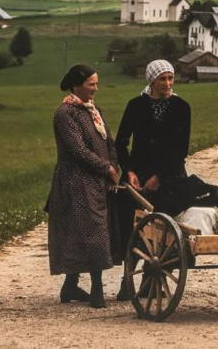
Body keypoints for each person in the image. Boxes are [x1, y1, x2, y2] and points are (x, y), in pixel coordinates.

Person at [114, 59, 191, 300]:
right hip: (138, 176)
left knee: (167, 229)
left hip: (170, 175)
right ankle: (128, 277)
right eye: (162, 79)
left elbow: (181, 148)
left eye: (170, 78)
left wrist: (160, 176)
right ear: (151, 81)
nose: (167, 83)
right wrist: (130, 172)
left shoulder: (181, 107)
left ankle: (153, 277)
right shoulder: (136, 105)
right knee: (133, 227)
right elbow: (121, 143)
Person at [47, 64, 119, 309]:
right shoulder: (65, 113)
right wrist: (106, 168)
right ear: (76, 85)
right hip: (74, 180)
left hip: (95, 180)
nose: (95, 89)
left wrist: (113, 165)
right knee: (92, 231)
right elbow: (77, 150)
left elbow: (109, 141)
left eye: (96, 84)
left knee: (85, 230)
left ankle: (70, 286)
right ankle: (98, 290)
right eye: (91, 84)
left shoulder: (94, 111)